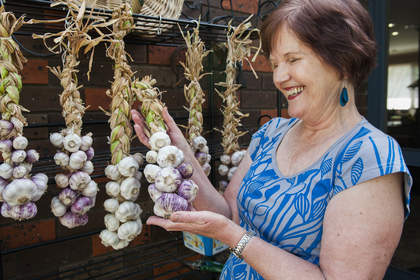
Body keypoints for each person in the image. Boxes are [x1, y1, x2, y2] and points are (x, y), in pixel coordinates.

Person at [131, 0, 413, 279]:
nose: (279, 76)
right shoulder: (271, 133)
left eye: (292, 60)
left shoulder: (370, 156)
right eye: (276, 63)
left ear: (343, 63)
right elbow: (229, 214)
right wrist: (181, 151)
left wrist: (232, 237)